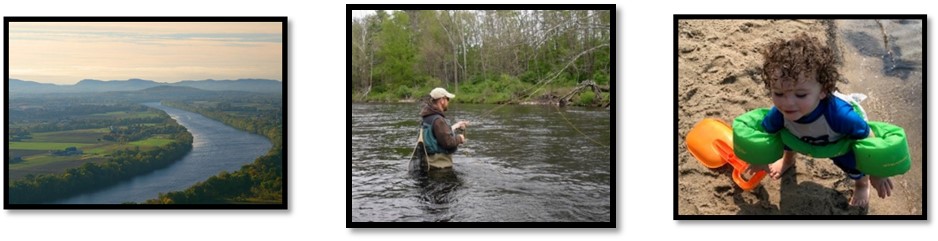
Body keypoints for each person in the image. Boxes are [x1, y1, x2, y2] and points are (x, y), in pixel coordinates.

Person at [744, 33, 893, 207]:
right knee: (787, 139)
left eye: (800, 94)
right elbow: (765, 135)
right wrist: (760, 159)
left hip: (838, 143)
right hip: (798, 137)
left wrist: (876, 172)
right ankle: (788, 160)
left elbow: (868, 137)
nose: (788, 103)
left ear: (823, 90)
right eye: (778, 93)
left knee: (854, 166)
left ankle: (862, 184)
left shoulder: (840, 115)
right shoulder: (779, 113)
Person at [416, 87, 470, 169]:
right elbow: (448, 142)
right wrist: (460, 138)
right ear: (442, 100)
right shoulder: (438, 120)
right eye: (447, 99)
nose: (448, 102)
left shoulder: (428, 116)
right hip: (438, 165)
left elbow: (436, 134)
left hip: (427, 162)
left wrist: (456, 125)